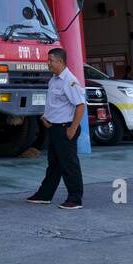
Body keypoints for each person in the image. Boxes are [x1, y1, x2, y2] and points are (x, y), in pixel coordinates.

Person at [26, 46, 86, 210]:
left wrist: (72, 129)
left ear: (60, 61)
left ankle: (75, 198)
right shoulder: (54, 79)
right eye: (48, 60)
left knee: (69, 165)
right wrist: (46, 118)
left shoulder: (70, 81)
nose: (48, 63)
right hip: (55, 128)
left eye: (51, 60)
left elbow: (80, 106)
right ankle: (44, 195)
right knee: (54, 164)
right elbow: (56, 104)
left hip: (66, 128)